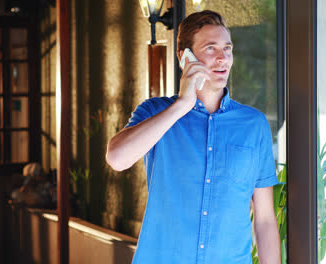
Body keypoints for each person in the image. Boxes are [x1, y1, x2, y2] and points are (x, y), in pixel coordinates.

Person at [106, 10, 281, 264]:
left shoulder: (254, 125)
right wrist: (181, 105)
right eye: (211, 49)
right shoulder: (155, 112)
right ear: (185, 57)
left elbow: (264, 219)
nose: (223, 58)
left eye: (227, 48)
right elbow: (116, 158)